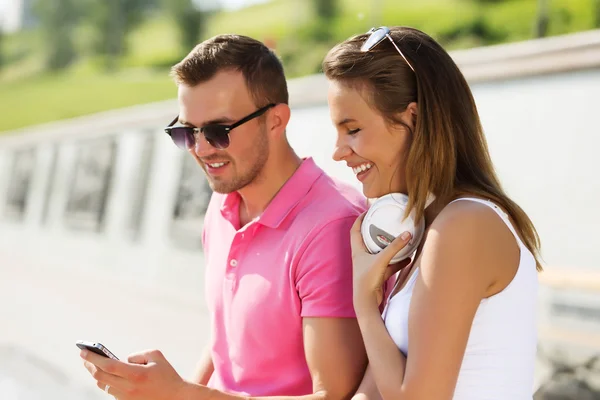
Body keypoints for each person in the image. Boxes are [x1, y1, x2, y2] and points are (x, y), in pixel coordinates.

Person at [80, 34, 368, 400]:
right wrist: (169, 391)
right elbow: (225, 346)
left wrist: (180, 394)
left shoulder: (333, 227)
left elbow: (333, 396)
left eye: (218, 131)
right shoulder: (222, 206)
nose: (200, 149)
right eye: (186, 132)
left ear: (276, 121)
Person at [322, 26, 542, 399]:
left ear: (414, 119)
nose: (338, 151)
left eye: (353, 129)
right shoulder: (426, 233)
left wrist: (364, 302)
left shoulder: (464, 225)